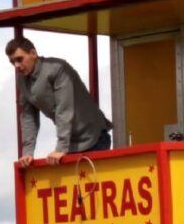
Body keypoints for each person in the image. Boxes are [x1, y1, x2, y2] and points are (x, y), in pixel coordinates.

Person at [7, 37, 111, 166]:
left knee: (93, 184)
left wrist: (61, 148)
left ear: (33, 53)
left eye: (19, 59)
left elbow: (64, 108)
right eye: (12, 62)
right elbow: (28, 117)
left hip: (94, 138)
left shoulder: (57, 68)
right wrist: (27, 152)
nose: (16, 66)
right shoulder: (22, 80)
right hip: (70, 144)